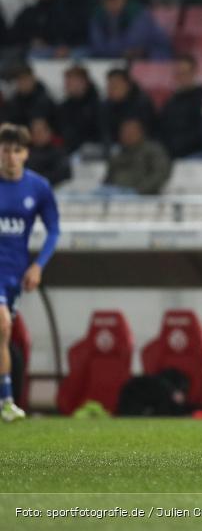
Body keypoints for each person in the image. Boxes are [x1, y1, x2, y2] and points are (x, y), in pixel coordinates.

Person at [0, 123, 60, 422]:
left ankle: (6, 400)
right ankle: (7, 401)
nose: (10, 156)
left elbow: (54, 230)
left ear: (26, 154)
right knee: (2, 326)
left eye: (16, 151)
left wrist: (37, 266)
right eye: (5, 149)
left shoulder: (38, 188)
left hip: (14, 274)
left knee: (3, 333)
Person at [89, 0, 172, 60]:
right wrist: (115, 51)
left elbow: (135, 43)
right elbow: (97, 45)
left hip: (152, 52)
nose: (113, 2)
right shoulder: (98, 15)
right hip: (116, 56)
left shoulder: (137, 12)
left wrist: (112, 50)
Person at [102, 118, 171, 195]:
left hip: (143, 198)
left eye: (130, 132)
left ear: (140, 132)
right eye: (124, 132)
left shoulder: (152, 151)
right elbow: (108, 177)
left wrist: (139, 190)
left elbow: (160, 174)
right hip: (116, 195)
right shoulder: (118, 153)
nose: (126, 135)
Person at [158, 54, 202, 159]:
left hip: (195, 153)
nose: (181, 77)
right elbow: (162, 128)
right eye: (178, 73)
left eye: (185, 73)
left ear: (194, 72)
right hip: (170, 153)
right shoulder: (171, 101)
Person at [100, 69, 158, 155]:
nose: (111, 88)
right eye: (109, 84)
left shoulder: (142, 104)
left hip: (140, 151)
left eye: (116, 85)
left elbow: (148, 132)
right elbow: (104, 131)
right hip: (114, 149)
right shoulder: (105, 106)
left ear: (127, 85)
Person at [57, 65, 101, 154]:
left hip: (92, 152)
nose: (66, 85)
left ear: (83, 82)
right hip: (68, 152)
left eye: (70, 81)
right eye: (67, 81)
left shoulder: (97, 106)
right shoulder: (63, 107)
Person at [25, 117, 71, 186]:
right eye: (34, 132)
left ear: (49, 132)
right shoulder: (25, 153)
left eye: (40, 132)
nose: (38, 135)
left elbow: (64, 173)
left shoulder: (58, 153)